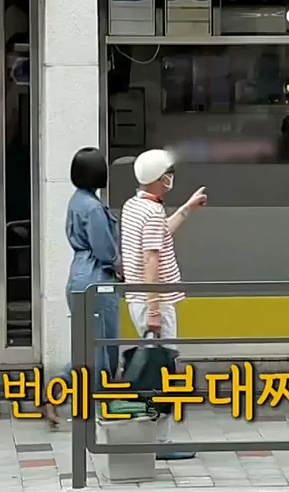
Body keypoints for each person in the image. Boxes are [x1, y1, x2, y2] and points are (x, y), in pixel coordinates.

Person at [120, 149, 207, 460]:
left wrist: (186, 209)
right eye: (167, 174)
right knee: (161, 370)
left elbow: (160, 237)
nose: (170, 178)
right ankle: (159, 441)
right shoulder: (152, 212)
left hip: (139, 299)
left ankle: (151, 438)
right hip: (154, 300)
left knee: (152, 368)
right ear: (158, 179)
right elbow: (151, 260)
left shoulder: (134, 206)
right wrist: (155, 308)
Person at [43, 148, 121, 428]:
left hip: (79, 275)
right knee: (102, 349)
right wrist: (122, 266)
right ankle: (100, 410)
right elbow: (105, 250)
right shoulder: (93, 208)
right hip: (97, 279)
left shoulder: (77, 201)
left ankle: (54, 394)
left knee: (88, 348)